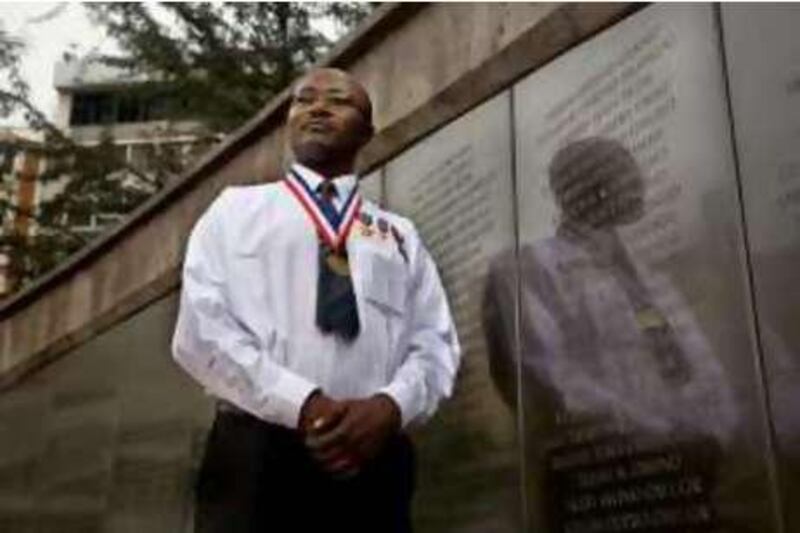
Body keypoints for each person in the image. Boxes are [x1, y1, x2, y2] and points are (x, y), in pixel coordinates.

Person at [172, 68, 460, 533]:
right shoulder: (235, 211)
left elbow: (435, 343)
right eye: (304, 99)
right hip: (258, 453)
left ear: (367, 132)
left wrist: (391, 406)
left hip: (372, 457)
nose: (318, 107)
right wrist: (305, 404)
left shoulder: (398, 235)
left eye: (339, 100)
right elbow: (203, 332)